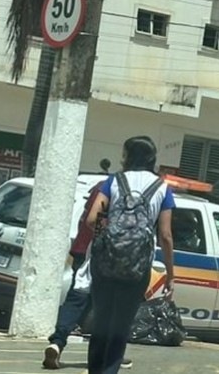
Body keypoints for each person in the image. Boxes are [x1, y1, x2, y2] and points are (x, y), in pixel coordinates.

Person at [85, 137, 175, 374]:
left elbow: (92, 219)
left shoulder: (114, 181)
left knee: (101, 322)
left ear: (128, 156)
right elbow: (165, 235)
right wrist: (171, 275)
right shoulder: (162, 187)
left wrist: (109, 239)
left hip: (105, 263)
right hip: (137, 268)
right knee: (121, 326)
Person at [43, 180, 133, 370]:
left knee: (78, 299)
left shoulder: (103, 186)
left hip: (83, 249)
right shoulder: (119, 190)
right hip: (103, 254)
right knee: (108, 306)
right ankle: (111, 352)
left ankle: (57, 342)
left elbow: (87, 218)